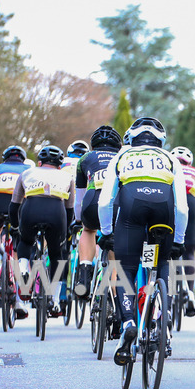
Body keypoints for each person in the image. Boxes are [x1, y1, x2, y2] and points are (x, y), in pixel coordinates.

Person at [98, 117, 188, 366]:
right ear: (160, 140)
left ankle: (128, 322)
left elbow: (105, 201)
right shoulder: (170, 158)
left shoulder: (123, 155)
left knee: (124, 269)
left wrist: (107, 233)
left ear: (131, 138)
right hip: (163, 214)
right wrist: (178, 240)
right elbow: (182, 207)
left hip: (132, 211)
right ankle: (162, 317)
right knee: (159, 266)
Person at [10, 145, 76, 317]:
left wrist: (16, 227)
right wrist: (64, 233)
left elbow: (14, 205)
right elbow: (70, 210)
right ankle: (54, 299)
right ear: (60, 166)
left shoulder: (27, 173)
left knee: (25, 242)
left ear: (39, 163)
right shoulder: (67, 176)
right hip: (56, 212)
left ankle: (24, 269)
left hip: (31, 209)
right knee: (56, 254)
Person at [73, 125, 123, 297]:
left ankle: (85, 272)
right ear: (119, 146)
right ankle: (116, 297)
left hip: (92, 201)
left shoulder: (85, 158)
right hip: (117, 204)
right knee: (116, 239)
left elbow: (79, 198)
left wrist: (78, 220)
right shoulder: (123, 157)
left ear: (93, 145)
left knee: (88, 229)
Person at [0, 145, 32, 283]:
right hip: (18, 204)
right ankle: (20, 277)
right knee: (19, 234)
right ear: (23, 159)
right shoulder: (28, 170)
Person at [173, 145, 195, 317]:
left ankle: (167, 295)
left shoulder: (169, 166)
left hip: (174, 198)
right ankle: (190, 292)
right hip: (192, 202)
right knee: (189, 251)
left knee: (167, 247)